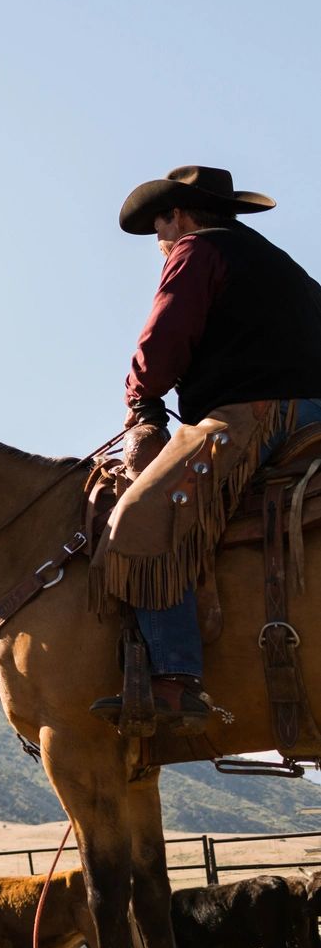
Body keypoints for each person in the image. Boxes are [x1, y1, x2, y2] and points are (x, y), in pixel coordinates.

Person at [93, 166, 321, 732]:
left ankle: (176, 680)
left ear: (180, 214)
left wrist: (140, 402)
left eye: (159, 224)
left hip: (258, 414)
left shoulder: (197, 251)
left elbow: (162, 342)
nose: (159, 238)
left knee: (144, 514)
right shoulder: (275, 262)